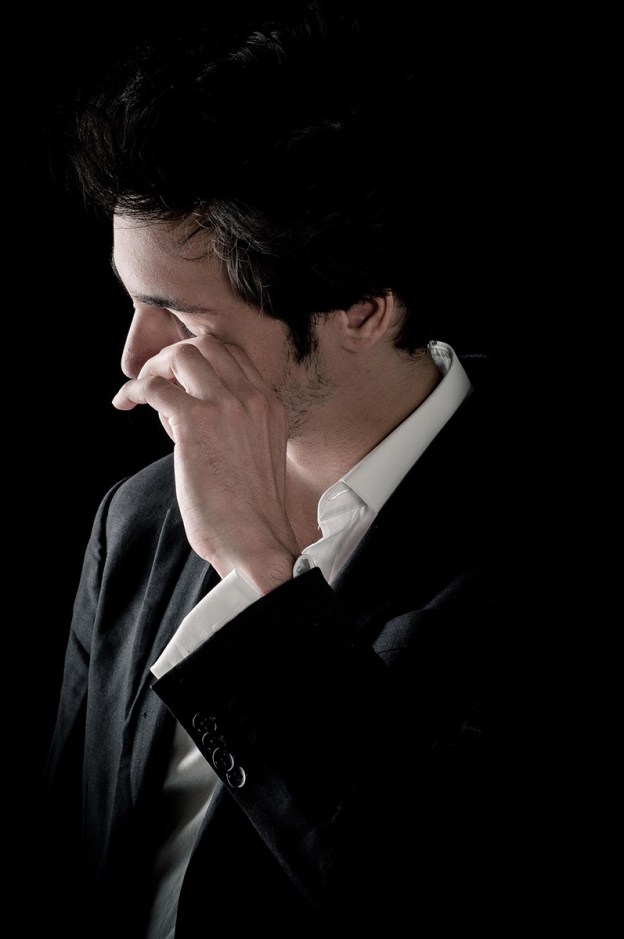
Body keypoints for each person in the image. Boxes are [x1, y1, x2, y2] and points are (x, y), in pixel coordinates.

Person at [37, 4, 545, 936]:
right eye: (130, 300)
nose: (134, 358)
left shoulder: (530, 545)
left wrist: (258, 577)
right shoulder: (137, 519)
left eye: (181, 317)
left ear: (362, 309)